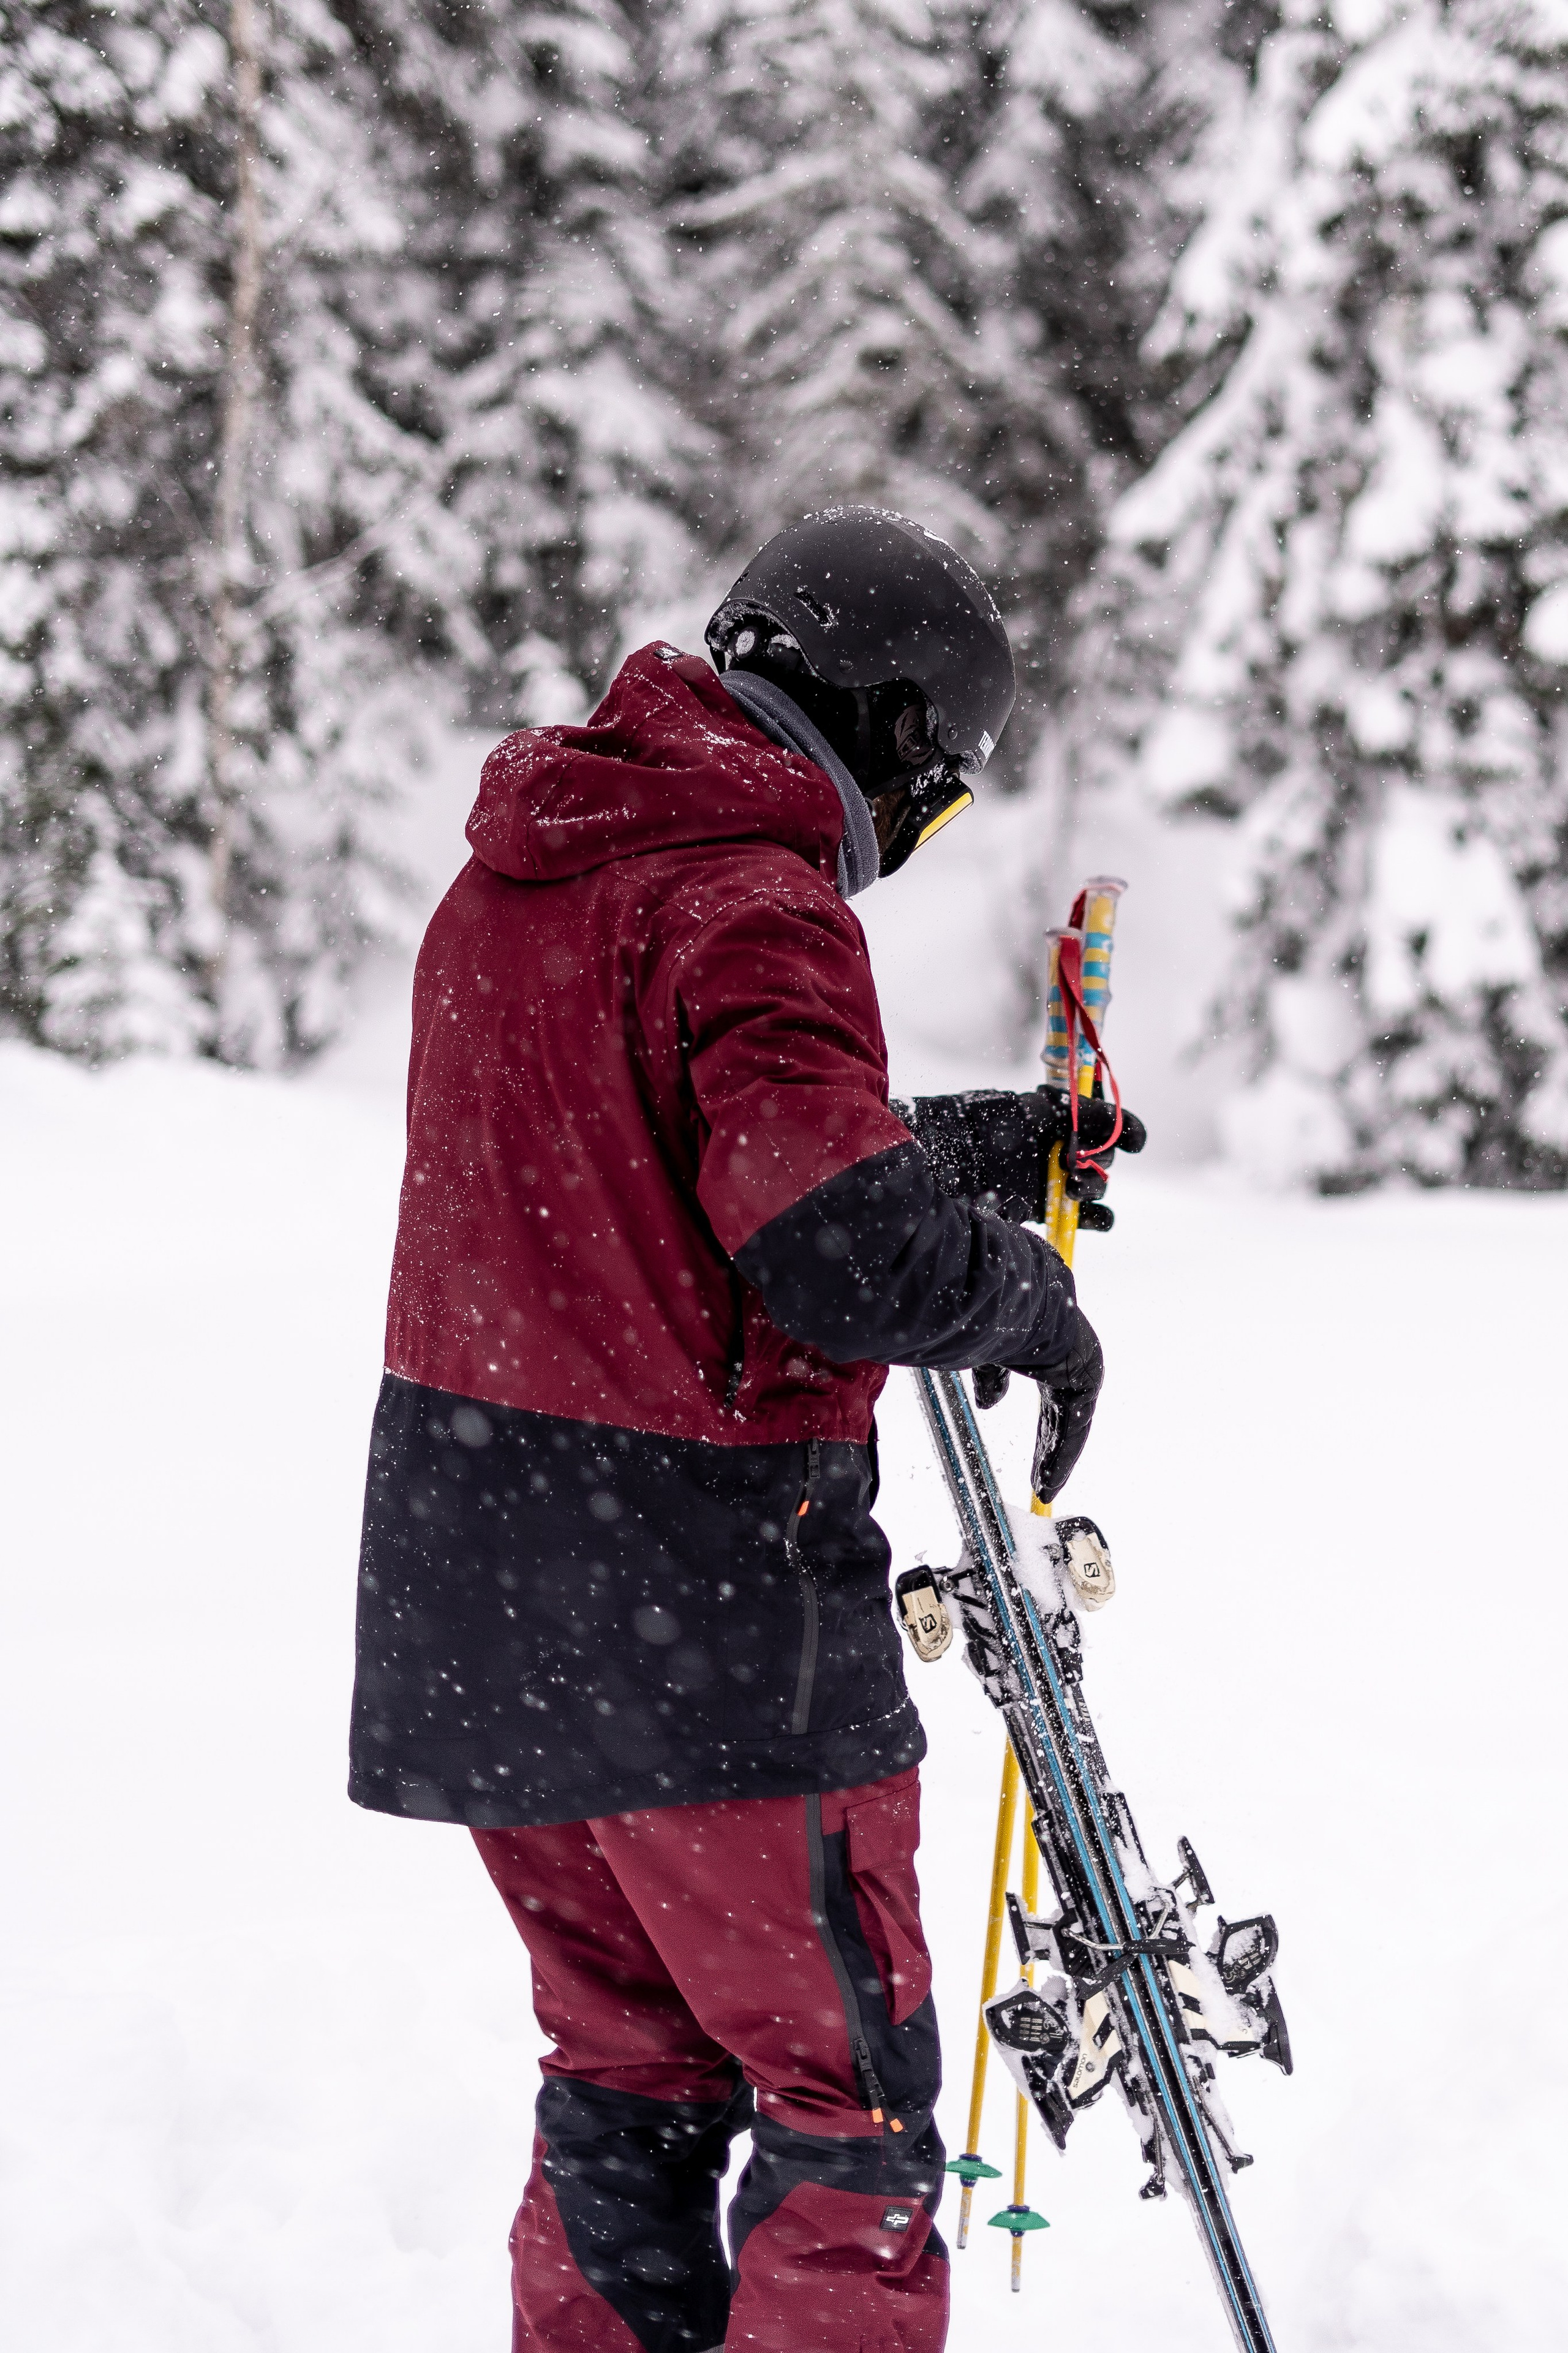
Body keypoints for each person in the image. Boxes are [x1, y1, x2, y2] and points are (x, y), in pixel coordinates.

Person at [349, 507, 1139, 2353]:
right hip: (703, 1622)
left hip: (480, 1604)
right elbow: (830, 1250)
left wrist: (959, 1146)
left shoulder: (530, 872)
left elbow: (656, 1174)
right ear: (887, 730)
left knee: (627, 2073)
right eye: (940, 780)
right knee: (837, 2103)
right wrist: (1028, 1300)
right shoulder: (751, 895)